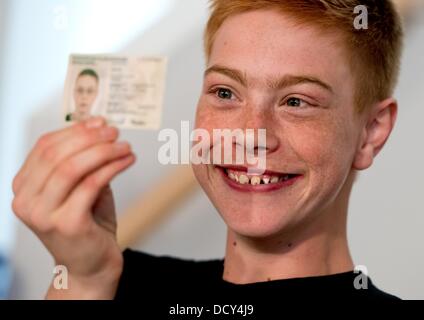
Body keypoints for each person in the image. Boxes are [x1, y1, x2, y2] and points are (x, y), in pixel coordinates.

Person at [12, 0, 403, 302]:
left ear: (371, 132)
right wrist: (83, 279)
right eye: (225, 92)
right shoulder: (117, 281)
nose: (251, 134)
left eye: (296, 102)